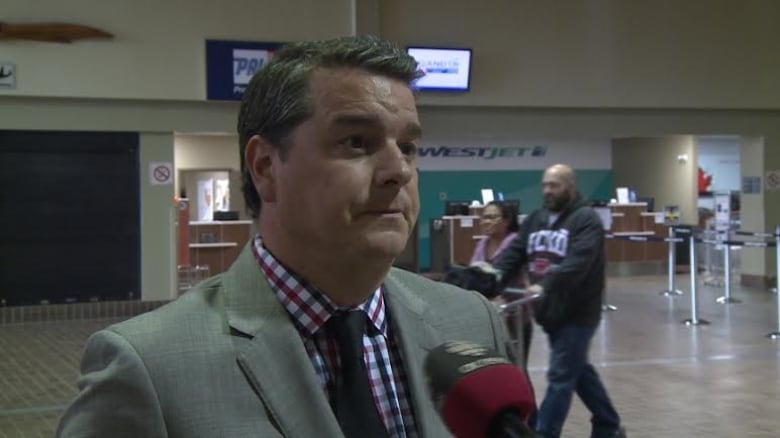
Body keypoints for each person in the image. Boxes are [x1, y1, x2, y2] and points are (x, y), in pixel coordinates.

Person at [56, 36, 509, 438]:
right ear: (266, 167)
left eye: (408, 147)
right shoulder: (149, 368)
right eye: (356, 141)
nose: (399, 171)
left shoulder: (470, 324)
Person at [489, 164, 626, 438]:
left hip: (578, 312)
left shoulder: (586, 220)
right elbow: (515, 252)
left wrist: (545, 284)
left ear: (571, 187)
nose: (548, 191)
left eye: (555, 185)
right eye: (545, 185)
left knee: (560, 376)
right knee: (578, 370)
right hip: (549, 311)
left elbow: (578, 263)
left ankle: (545, 433)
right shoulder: (537, 218)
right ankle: (608, 424)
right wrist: (492, 276)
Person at [470, 201, 533, 369]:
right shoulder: (482, 243)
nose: (487, 221)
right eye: (484, 217)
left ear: (506, 221)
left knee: (517, 367)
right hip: (491, 315)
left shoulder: (514, 242)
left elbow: (498, 272)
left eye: (492, 217)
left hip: (516, 314)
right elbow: (474, 271)